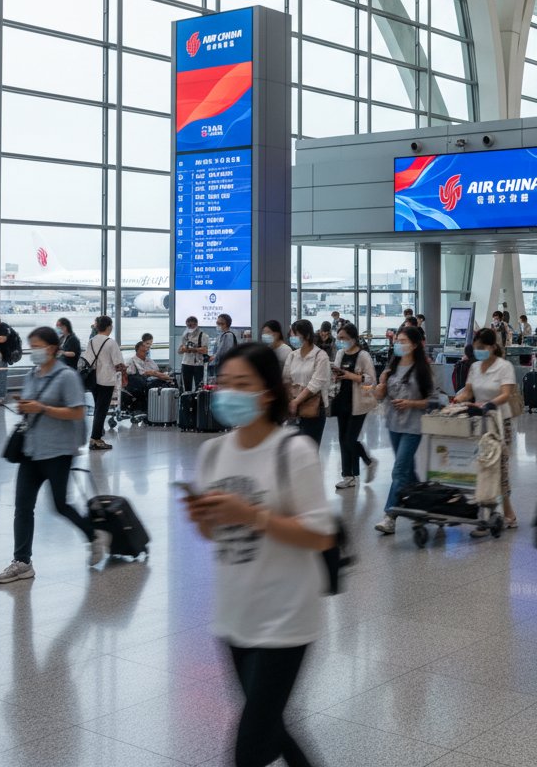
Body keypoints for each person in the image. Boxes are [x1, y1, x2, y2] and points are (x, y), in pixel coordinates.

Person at [186, 343, 335, 767]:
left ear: (267, 392)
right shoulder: (213, 452)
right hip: (234, 616)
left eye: (242, 384)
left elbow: (321, 536)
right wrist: (202, 517)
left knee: (250, 746)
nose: (229, 392)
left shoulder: (294, 452)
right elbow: (214, 534)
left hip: (286, 618)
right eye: (225, 383)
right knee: (273, 727)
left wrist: (251, 515)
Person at [0, 327, 109, 584]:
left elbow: (77, 412)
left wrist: (42, 408)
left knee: (60, 504)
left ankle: (93, 536)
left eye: (37, 345)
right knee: (23, 506)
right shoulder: (32, 374)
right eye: (31, 345)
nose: (33, 351)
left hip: (58, 451)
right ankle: (22, 561)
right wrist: (25, 405)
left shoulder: (66, 376)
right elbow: (33, 407)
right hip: (32, 449)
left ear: (52, 348)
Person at [452, 328, 519, 535]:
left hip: (500, 421)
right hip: (479, 421)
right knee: (481, 466)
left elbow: (506, 394)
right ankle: (486, 515)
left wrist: (489, 404)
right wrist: (458, 399)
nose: (479, 351)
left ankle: (505, 513)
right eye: (476, 348)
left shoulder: (504, 367)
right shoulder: (474, 367)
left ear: (492, 347)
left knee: (498, 467)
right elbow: (469, 391)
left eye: (482, 348)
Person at [373, 326, 434, 535]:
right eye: (397, 340)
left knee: (399, 470)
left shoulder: (422, 370)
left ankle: (390, 515)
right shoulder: (392, 367)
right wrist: (380, 385)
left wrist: (411, 403)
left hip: (413, 427)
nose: (398, 344)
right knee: (408, 471)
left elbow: (433, 401)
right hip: (393, 424)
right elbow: (379, 396)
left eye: (403, 341)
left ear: (415, 345)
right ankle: (425, 506)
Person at [331, 322, 378, 490]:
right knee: (343, 440)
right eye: (338, 338)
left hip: (359, 402)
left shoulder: (363, 356)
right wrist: (336, 376)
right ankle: (349, 475)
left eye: (343, 338)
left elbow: (371, 380)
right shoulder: (340, 353)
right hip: (341, 400)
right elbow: (337, 373)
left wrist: (353, 377)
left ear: (353, 338)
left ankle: (369, 461)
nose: (340, 341)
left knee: (350, 439)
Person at [283, 320, 331, 446]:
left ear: (307, 336)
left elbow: (315, 384)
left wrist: (296, 401)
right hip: (294, 409)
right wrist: (290, 400)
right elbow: (286, 379)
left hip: (313, 408)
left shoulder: (321, 356)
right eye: (291, 335)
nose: (292, 338)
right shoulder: (292, 355)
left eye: (295, 335)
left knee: (310, 449)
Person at [82, 316, 126, 452]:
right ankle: (95, 439)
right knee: (102, 410)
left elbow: (88, 359)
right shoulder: (111, 343)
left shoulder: (91, 341)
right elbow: (118, 364)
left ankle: (97, 435)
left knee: (97, 409)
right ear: (109, 327)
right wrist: (124, 371)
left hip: (94, 379)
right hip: (106, 380)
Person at [179, 315, 209, 392]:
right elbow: (179, 351)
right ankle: (186, 401)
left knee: (199, 385)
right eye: (187, 325)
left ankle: (197, 401)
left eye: (191, 325)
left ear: (196, 324)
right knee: (186, 386)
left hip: (198, 364)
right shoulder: (185, 335)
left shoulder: (203, 336)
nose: (189, 327)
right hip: (186, 363)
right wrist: (184, 349)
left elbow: (205, 350)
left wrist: (193, 349)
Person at [0, 311, 12, 405]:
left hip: (2, 356)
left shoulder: (3, 327)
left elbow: (2, 339)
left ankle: (1, 397)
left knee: (2, 377)